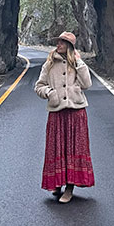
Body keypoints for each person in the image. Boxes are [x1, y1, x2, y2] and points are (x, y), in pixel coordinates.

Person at [34, 31, 95, 203]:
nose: (58, 44)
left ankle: (69, 188)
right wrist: (49, 92)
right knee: (57, 148)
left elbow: (87, 84)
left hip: (76, 112)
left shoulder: (76, 63)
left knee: (74, 149)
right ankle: (57, 184)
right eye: (58, 41)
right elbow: (38, 86)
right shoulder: (49, 63)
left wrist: (78, 61)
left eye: (62, 42)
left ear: (69, 46)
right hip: (57, 112)